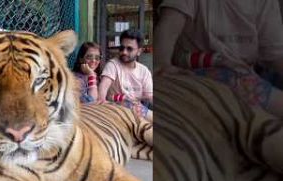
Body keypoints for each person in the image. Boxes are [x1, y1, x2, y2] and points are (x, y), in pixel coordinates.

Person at [154, 0, 283, 117]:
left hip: (247, 73)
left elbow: (276, 55)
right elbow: (169, 27)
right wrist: (162, 63)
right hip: (201, 72)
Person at [98, 29, 153, 121]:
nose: (124, 52)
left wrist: (134, 98)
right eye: (122, 48)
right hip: (118, 112)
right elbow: (102, 93)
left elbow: (149, 97)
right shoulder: (113, 65)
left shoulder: (144, 71)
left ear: (139, 51)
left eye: (129, 49)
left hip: (137, 110)